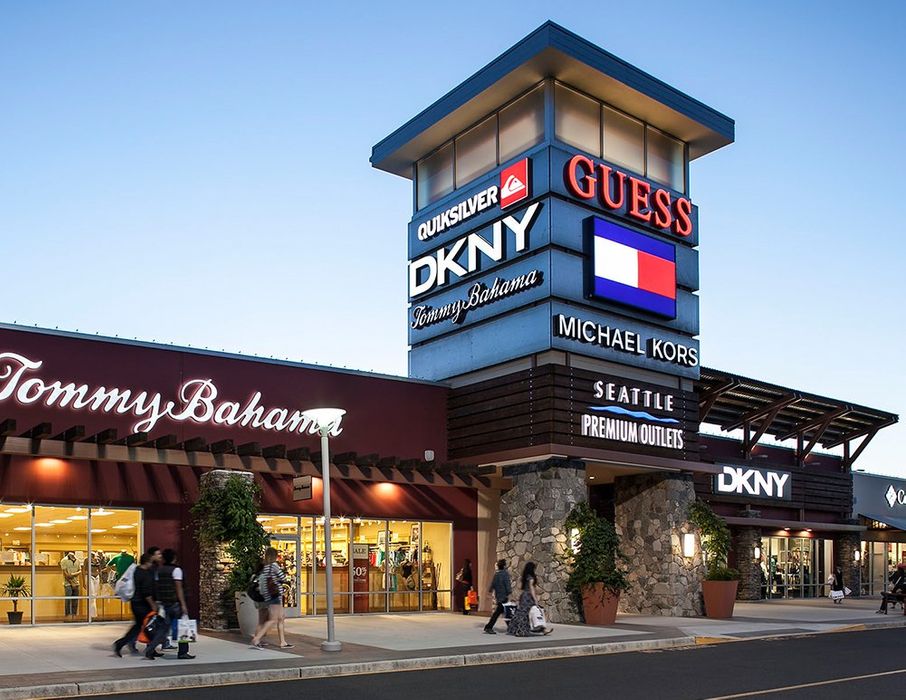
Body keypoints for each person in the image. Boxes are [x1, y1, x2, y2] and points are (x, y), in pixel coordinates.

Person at [148, 549, 195, 659]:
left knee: (163, 628)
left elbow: (157, 587)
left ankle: (150, 648)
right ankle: (183, 652)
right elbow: (179, 588)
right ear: (174, 558)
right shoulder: (176, 570)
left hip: (164, 604)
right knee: (183, 627)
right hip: (175, 603)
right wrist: (183, 604)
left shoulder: (159, 570)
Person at [113, 553, 158, 657]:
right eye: (151, 562)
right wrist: (153, 605)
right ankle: (150, 650)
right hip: (143, 605)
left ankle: (120, 643)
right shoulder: (145, 574)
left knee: (138, 627)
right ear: (147, 562)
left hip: (135, 603)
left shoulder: (135, 571)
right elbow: (146, 592)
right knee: (150, 627)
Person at [250, 547, 293, 649]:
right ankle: (257, 639)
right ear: (275, 556)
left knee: (278, 617)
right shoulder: (274, 566)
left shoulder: (264, 566)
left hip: (265, 596)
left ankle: (282, 642)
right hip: (274, 595)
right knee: (273, 619)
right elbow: (282, 577)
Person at [507, 562, 552, 636]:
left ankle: (517, 629)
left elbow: (523, 587)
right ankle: (540, 629)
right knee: (534, 612)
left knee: (523, 613)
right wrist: (535, 599)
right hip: (529, 597)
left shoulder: (525, 577)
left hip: (524, 596)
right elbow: (532, 588)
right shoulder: (531, 578)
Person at [483, 559, 512, 634]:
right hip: (504, 596)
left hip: (498, 596)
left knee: (504, 612)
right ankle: (488, 627)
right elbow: (507, 585)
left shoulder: (496, 574)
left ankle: (511, 627)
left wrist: (490, 591)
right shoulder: (505, 574)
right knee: (502, 612)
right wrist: (510, 593)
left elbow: (493, 584)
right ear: (504, 566)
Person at [60, 551, 82, 621]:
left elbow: (80, 570)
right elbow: (65, 574)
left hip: (76, 583)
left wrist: (72, 574)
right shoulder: (64, 560)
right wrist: (71, 582)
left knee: (75, 600)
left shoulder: (77, 560)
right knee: (68, 600)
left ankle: (74, 615)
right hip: (68, 584)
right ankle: (68, 616)